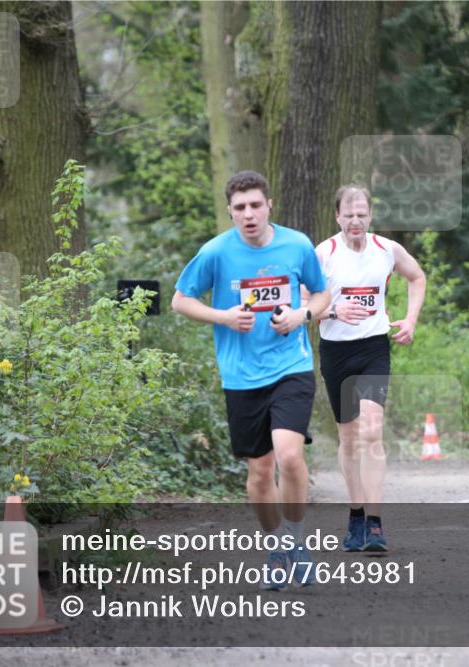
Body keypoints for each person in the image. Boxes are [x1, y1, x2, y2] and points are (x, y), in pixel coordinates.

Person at [171, 170, 330, 588]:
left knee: (290, 456)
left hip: (290, 367)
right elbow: (180, 299)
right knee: (260, 472)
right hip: (241, 376)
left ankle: (297, 543)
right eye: (240, 208)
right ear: (230, 212)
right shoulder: (216, 253)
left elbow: (322, 292)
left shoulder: (296, 244)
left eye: (256, 205)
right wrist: (222, 316)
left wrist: (302, 315)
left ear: (269, 205)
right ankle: (276, 549)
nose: (249, 214)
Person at [313, 184, 426, 552]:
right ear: (338, 217)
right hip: (335, 351)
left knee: (372, 433)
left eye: (362, 214)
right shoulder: (323, 254)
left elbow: (417, 277)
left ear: (370, 216)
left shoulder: (386, 250)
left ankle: (375, 526)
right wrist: (332, 310)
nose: (356, 221)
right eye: (349, 215)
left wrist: (410, 320)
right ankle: (356, 515)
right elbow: (302, 305)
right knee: (348, 438)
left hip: (374, 348)